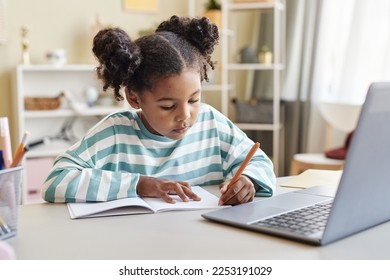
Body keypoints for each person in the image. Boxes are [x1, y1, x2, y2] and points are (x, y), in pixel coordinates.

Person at [41, 15, 276, 205]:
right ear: (134, 98)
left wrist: (249, 180)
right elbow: (56, 181)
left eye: (194, 100)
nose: (185, 115)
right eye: (168, 106)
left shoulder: (212, 123)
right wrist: (140, 185)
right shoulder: (115, 133)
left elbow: (260, 163)